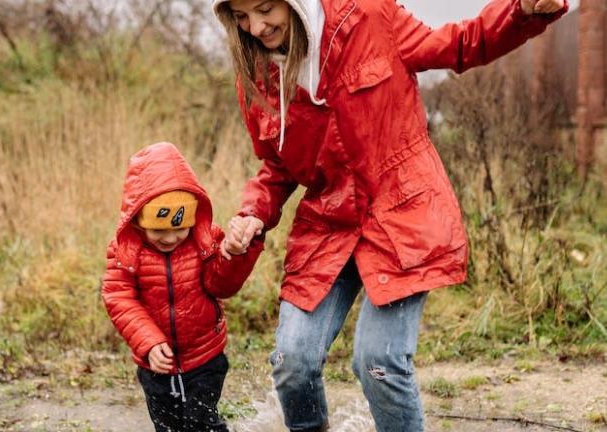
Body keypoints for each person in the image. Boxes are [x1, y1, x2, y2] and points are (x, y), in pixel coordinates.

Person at [211, 0, 568, 431]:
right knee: (292, 363)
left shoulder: (369, 17)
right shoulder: (256, 78)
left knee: (378, 363)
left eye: (265, 9)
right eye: (241, 17)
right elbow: (277, 167)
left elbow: (459, 45)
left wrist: (522, 12)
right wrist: (253, 213)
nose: (255, 27)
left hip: (402, 216)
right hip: (329, 225)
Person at [101, 142, 263, 432]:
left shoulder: (205, 241)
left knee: (202, 425)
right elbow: (118, 296)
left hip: (205, 357)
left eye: (180, 227)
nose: (171, 237)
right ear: (138, 220)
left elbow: (221, 286)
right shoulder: (126, 252)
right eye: (159, 229)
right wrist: (148, 341)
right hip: (155, 366)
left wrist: (234, 255)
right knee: (169, 428)